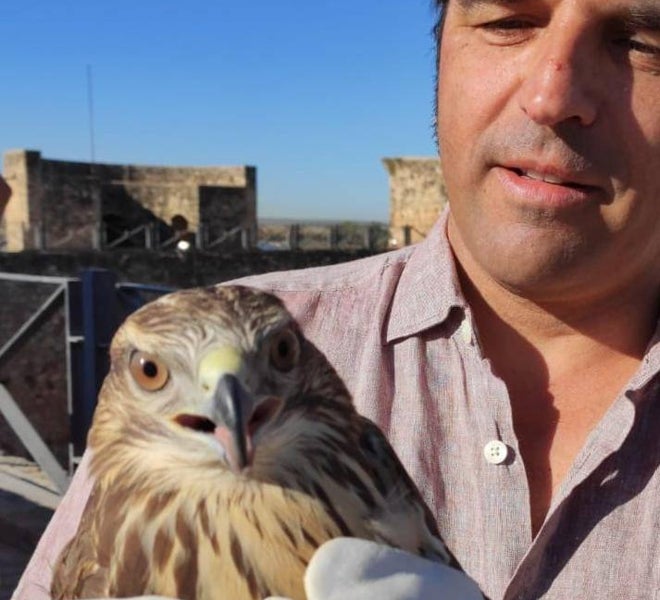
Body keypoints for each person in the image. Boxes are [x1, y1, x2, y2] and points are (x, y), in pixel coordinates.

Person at [13, 0, 660, 597]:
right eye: (508, 21)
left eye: (645, 40)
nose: (553, 96)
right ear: (440, 56)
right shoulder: (198, 378)